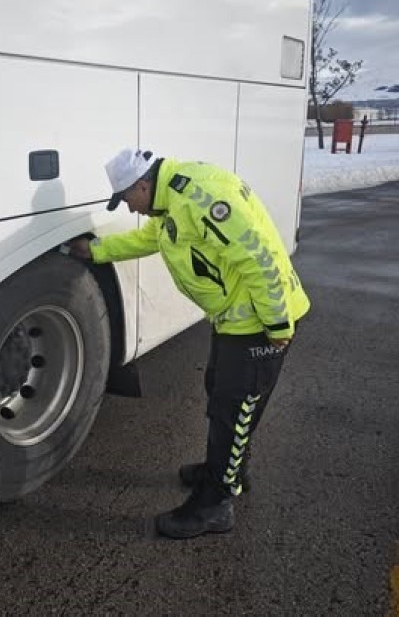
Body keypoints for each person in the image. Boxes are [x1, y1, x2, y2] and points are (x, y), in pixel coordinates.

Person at [68, 147, 311, 539]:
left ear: (143, 185)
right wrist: (97, 251)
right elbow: (152, 239)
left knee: (234, 408)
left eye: (128, 199)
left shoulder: (201, 198)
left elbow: (259, 257)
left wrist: (277, 324)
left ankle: (214, 505)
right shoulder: (172, 202)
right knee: (221, 393)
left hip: (259, 321)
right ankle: (229, 470)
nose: (130, 209)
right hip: (238, 317)